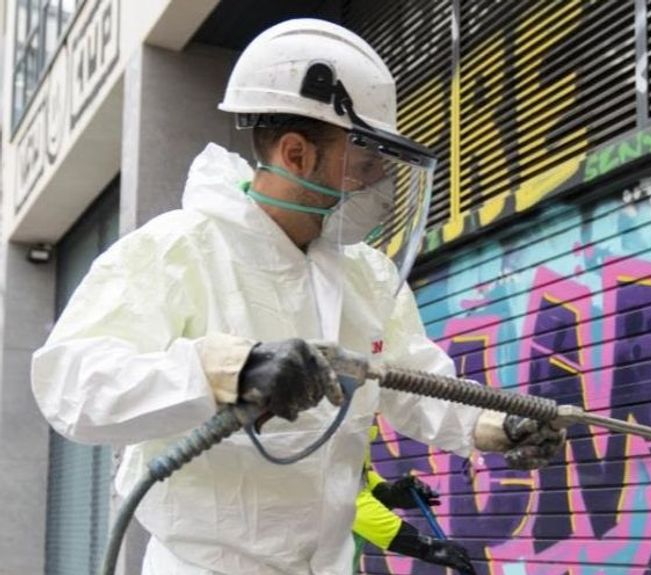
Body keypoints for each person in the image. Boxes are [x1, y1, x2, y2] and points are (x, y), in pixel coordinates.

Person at [31, 18, 564, 574]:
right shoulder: (178, 250)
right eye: (364, 164)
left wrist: (495, 426)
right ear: (296, 154)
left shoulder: (366, 275)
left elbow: (413, 380)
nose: (378, 182)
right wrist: (223, 372)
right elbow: (72, 383)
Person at [351, 426, 475, 575]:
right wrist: (424, 546)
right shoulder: (322, 418)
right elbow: (342, 499)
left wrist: (386, 492)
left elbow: (354, 473)